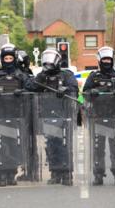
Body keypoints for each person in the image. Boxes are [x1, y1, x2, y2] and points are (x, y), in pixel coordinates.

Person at [27, 48, 78, 185]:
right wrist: (41, 79)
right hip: (47, 115)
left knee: (64, 145)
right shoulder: (41, 76)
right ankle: (55, 172)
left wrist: (65, 89)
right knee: (51, 145)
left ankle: (67, 173)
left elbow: (74, 89)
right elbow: (30, 86)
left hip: (63, 115)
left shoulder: (66, 75)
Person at [83, 46, 115, 186]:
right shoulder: (93, 76)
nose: (107, 61)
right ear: (99, 60)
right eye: (104, 59)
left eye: (109, 59)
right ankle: (98, 174)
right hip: (97, 116)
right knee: (97, 147)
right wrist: (91, 92)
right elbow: (82, 95)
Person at [0, 43, 30, 186]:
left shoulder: (21, 75)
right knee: (0, 145)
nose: (8, 60)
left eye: (10, 58)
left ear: (14, 58)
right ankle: (1, 174)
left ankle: (11, 174)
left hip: (17, 116)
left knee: (14, 145)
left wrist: (23, 92)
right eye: (5, 58)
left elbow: (31, 88)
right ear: (2, 59)